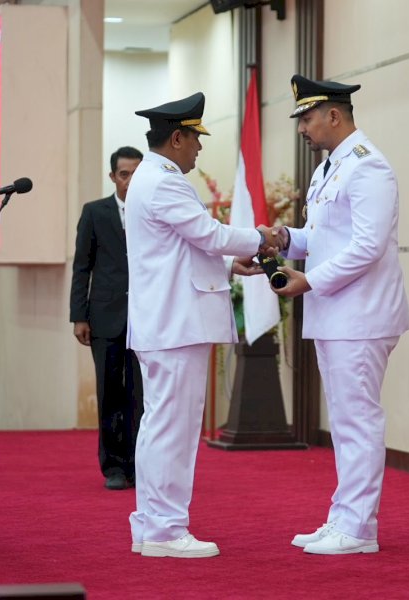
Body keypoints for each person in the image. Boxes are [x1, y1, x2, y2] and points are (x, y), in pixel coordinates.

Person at [125, 92, 280, 559]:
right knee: (172, 428)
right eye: (195, 139)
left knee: (163, 425)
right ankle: (166, 530)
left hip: (168, 321)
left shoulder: (152, 178)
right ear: (176, 137)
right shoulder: (164, 181)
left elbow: (180, 250)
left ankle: (153, 524)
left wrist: (232, 267)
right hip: (175, 325)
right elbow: (208, 234)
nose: (198, 149)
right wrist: (262, 236)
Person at [273, 75, 409, 555]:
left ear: (334, 115)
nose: (302, 129)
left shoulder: (369, 167)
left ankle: (358, 530)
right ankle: (342, 518)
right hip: (336, 314)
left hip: (363, 314)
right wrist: (286, 239)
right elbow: (322, 235)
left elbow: (368, 247)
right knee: (346, 422)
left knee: (358, 421)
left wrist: (308, 279)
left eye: (307, 119)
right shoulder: (328, 168)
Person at [70, 146, 145, 491]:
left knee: (141, 396)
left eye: (136, 173)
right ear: (113, 176)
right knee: (110, 393)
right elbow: (82, 267)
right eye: (125, 174)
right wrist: (79, 316)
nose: (130, 180)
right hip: (105, 316)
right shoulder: (95, 212)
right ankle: (114, 467)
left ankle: (141, 464)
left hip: (147, 316)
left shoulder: (153, 210)